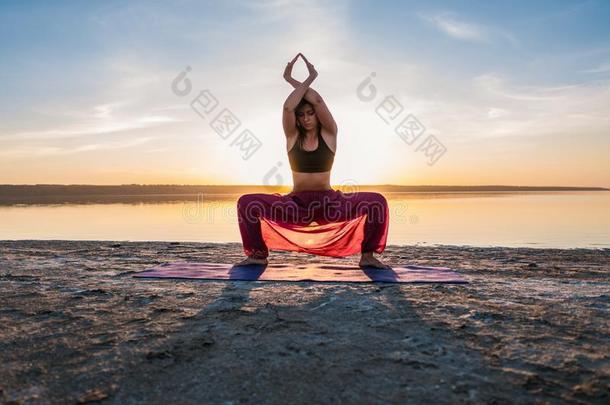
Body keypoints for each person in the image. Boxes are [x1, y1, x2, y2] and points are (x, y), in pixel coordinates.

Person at [236, 53, 390, 269]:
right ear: (297, 119)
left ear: (317, 115)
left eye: (310, 113)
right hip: (296, 205)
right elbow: (288, 107)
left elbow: (317, 100)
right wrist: (291, 81)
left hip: (329, 204)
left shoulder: (330, 135)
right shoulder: (292, 138)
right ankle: (258, 255)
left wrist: (309, 78)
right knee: (246, 202)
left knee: (377, 202)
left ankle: (368, 256)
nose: (306, 118)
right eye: (302, 115)